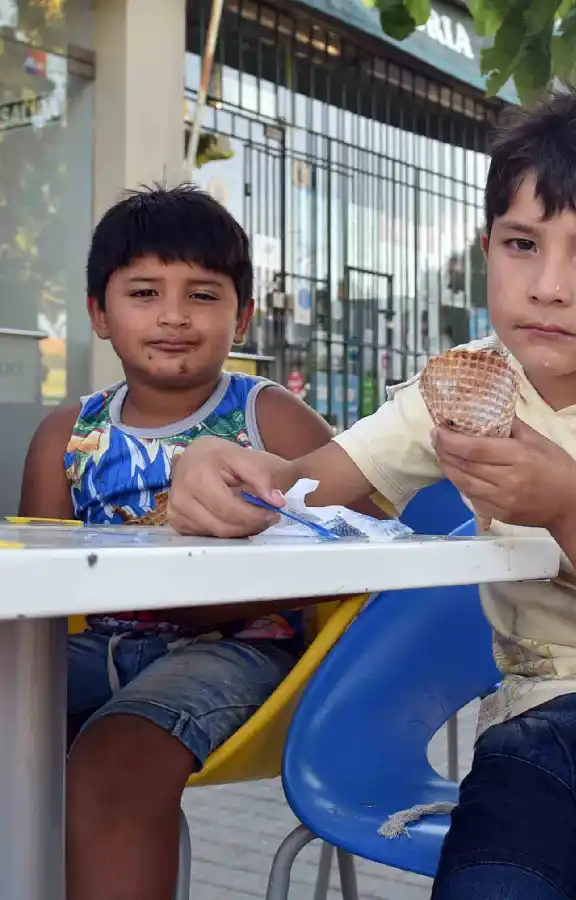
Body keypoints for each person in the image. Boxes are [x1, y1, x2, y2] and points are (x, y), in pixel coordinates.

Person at [167, 68, 576, 899]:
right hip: (541, 728)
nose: (548, 284)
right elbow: (301, 491)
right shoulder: (465, 387)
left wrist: (572, 509)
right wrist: (222, 467)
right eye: (521, 244)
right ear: (487, 252)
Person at [17, 184, 358, 900]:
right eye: (144, 292)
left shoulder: (271, 419)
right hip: (92, 645)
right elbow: (34, 588)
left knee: (115, 760)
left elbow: (358, 538)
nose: (174, 315)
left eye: (203, 295)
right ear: (98, 314)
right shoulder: (65, 436)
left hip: (242, 651)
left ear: (243, 318)